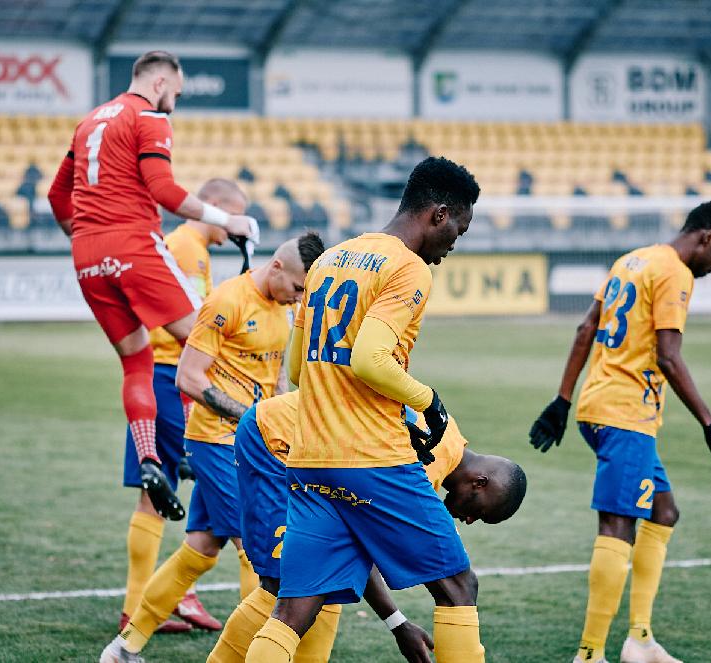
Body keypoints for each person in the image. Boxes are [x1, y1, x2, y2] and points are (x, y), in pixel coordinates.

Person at [246, 156, 485, 663]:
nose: (453, 245)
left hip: (310, 458)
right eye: (458, 231)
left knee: (292, 612)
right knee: (458, 586)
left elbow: (297, 368)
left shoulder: (331, 258)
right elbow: (370, 359)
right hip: (373, 457)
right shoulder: (408, 268)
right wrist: (429, 400)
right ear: (439, 215)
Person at [527, 202, 711, 663]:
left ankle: (639, 640)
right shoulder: (674, 272)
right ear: (706, 238)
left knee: (663, 511)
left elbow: (586, 327)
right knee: (618, 525)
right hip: (625, 414)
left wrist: (563, 400)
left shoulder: (631, 260)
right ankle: (589, 654)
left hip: (602, 407)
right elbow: (668, 356)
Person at [47, 50, 257, 521]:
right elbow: (163, 191)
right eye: (176, 94)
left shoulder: (88, 123)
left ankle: (151, 458)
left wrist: (83, 235)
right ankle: (212, 444)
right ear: (160, 83)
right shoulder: (148, 117)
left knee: (136, 361)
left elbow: (57, 195)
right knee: (206, 338)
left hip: (87, 255)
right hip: (133, 244)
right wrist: (229, 220)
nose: (174, 104)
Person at [100, 233, 326, 662]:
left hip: (257, 444)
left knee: (200, 550)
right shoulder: (226, 301)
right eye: (298, 287)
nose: (299, 298)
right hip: (217, 441)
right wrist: (251, 418)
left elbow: (277, 375)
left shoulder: (286, 308)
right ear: (277, 266)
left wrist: (283, 424)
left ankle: (125, 647)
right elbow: (188, 377)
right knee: (257, 552)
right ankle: (260, 652)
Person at [207, 390, 526, 662]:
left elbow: (356, 546)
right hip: (275, 440)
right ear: (480, 482)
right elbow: (366, 541)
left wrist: (397, 623)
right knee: (285, 588)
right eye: (480, 513)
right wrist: (397, 624)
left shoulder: (446, 434)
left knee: (323, 584)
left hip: (315, 450)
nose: (469, 520)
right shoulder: (420, 471)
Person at [118, 179, 244, 634]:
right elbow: (193, 324)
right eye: (233, 215)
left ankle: (146, 603)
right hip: (175, 377)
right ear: (213, 205)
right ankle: (168, 599)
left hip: (159, 372)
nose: (234, 228)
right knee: (226, 491)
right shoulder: (189, 247)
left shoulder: (184, 246)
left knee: (157, 493)